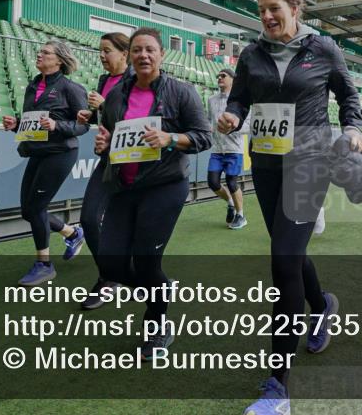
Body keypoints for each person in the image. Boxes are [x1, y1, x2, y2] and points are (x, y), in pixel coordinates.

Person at [215, 0, 362, 415]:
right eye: (261, 10)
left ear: (295, 7)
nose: (266, 16)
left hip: (310, 162)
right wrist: (231, 115)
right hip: (263, 163)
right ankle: (321, 306)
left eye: (274, 8)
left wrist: (352, 126)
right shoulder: (251, 54)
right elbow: (240, 99)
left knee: (282, 260)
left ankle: (277, 384)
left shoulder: (323, 49)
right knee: (291, 253)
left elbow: (347, 94)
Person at [92, 27, 212, 358]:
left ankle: (157, 325)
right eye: (137, 50)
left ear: (161, 55)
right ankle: (159, 288)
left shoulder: (181, 92)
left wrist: (170, 139)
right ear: (130, 56)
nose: (143, 55)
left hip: (164, 186)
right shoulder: (117, 95)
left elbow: (204, 136)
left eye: (150, 50)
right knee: (111, 264)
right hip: (123, 187)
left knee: (146, 261)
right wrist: (103, 146)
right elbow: (112, 140)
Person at [1, 40, 89, 286]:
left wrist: (58, 125)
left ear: (59, 60)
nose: (39, 55)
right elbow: (33, 122)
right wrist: (16, 124)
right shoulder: (32, 86)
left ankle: (44, 265)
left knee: (36, 207)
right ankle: (72, 233)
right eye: (40, 52)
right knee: (28, 210)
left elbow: (83, 125)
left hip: (60, 152)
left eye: (45, 53)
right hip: (37, 150)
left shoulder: (71, 88)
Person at [74, 32, 133, 310]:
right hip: (108, 161)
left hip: (135, 162)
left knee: (132, 228)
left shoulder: (137, 79)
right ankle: (109, 276)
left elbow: (135, 117)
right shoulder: (103, 80)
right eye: (100, 50)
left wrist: (104, 106)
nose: (101, 56)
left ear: (124, 53)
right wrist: (90, 115)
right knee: (88, 218)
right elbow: (105, 118)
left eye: (107, 51)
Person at [207, 67, 248, 230]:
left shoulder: (241, 101)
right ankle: (230, 202)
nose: (219, 78)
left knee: (232, 182)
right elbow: (210, 120)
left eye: (223, 76)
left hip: (234, 149)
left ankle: (241, 215)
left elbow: (249, 125)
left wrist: (233, 127)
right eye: (218, 76)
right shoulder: (211, 99)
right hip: (217, 149)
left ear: (233, 79)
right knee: (213, 182)